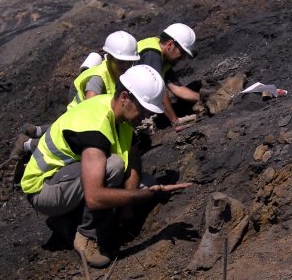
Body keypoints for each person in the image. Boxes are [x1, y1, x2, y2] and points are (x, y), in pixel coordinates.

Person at [21, 65, 192, 267]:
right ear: (125, 97)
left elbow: (134, 157)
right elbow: (93, 198)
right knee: (115, 166)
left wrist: (128, 201)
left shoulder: (121, 116)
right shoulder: (95, 125)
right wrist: (143, 196)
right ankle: (87, 237)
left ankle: (68, 221)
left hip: (68, 181)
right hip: (44, 189)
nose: (147, 115)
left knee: (145, 182)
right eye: (144, 108)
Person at [11, 30, 140, 158]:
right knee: (67, 142)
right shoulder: (98, 79)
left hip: (81, 113)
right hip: (79, 112)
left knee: (61, 128)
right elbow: (91, 112)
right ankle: (27, 145)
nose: (126, 66)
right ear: (109, 57)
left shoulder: (119, 73)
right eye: (121, 62)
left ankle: (36, 130)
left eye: (129, 62)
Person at [136, 23, 200, 131]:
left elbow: (177, 88)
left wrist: (202, 98)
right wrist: (175, 121)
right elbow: (157, 91)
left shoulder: (164, 58)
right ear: (170, 44)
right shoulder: (152, 54)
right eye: (182, 52)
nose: (183, 58)